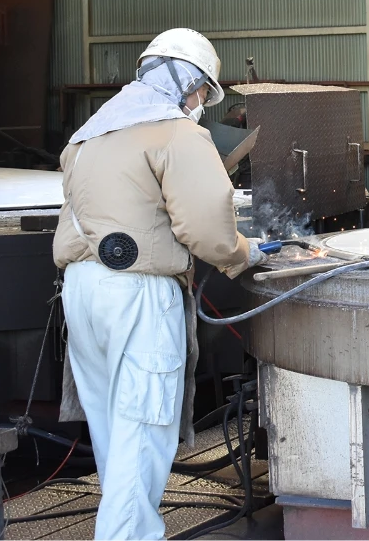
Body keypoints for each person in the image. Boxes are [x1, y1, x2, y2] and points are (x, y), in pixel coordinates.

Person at [53, 28, 267, 540]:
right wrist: (247, 252)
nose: (200, 104)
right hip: (138, 295)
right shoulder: (176, 133)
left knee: (114, 433)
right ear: (187, 82)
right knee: (143, 429)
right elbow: (207, 230)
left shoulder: (88, 135)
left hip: (81, 290)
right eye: (202, 92)